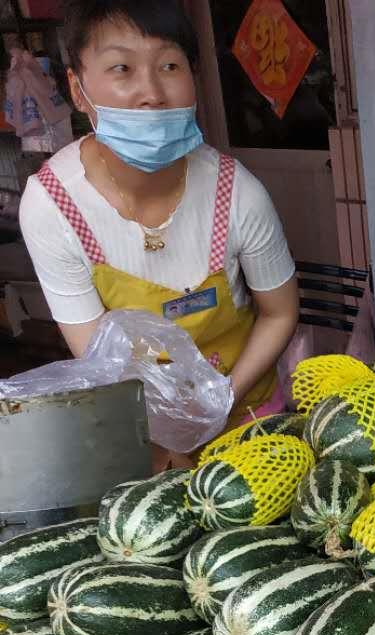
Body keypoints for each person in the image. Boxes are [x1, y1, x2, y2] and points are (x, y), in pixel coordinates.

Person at [18, 0, 299, 462]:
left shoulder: (238, 192)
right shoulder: (53, 207)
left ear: (194, 78)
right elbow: (99, 357)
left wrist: (220, 402)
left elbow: (279, 313)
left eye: (169, 65)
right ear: (77, 88)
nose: (151, 91)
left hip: (248, 418)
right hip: (142, 430)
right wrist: (172, 435)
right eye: (122, 68)